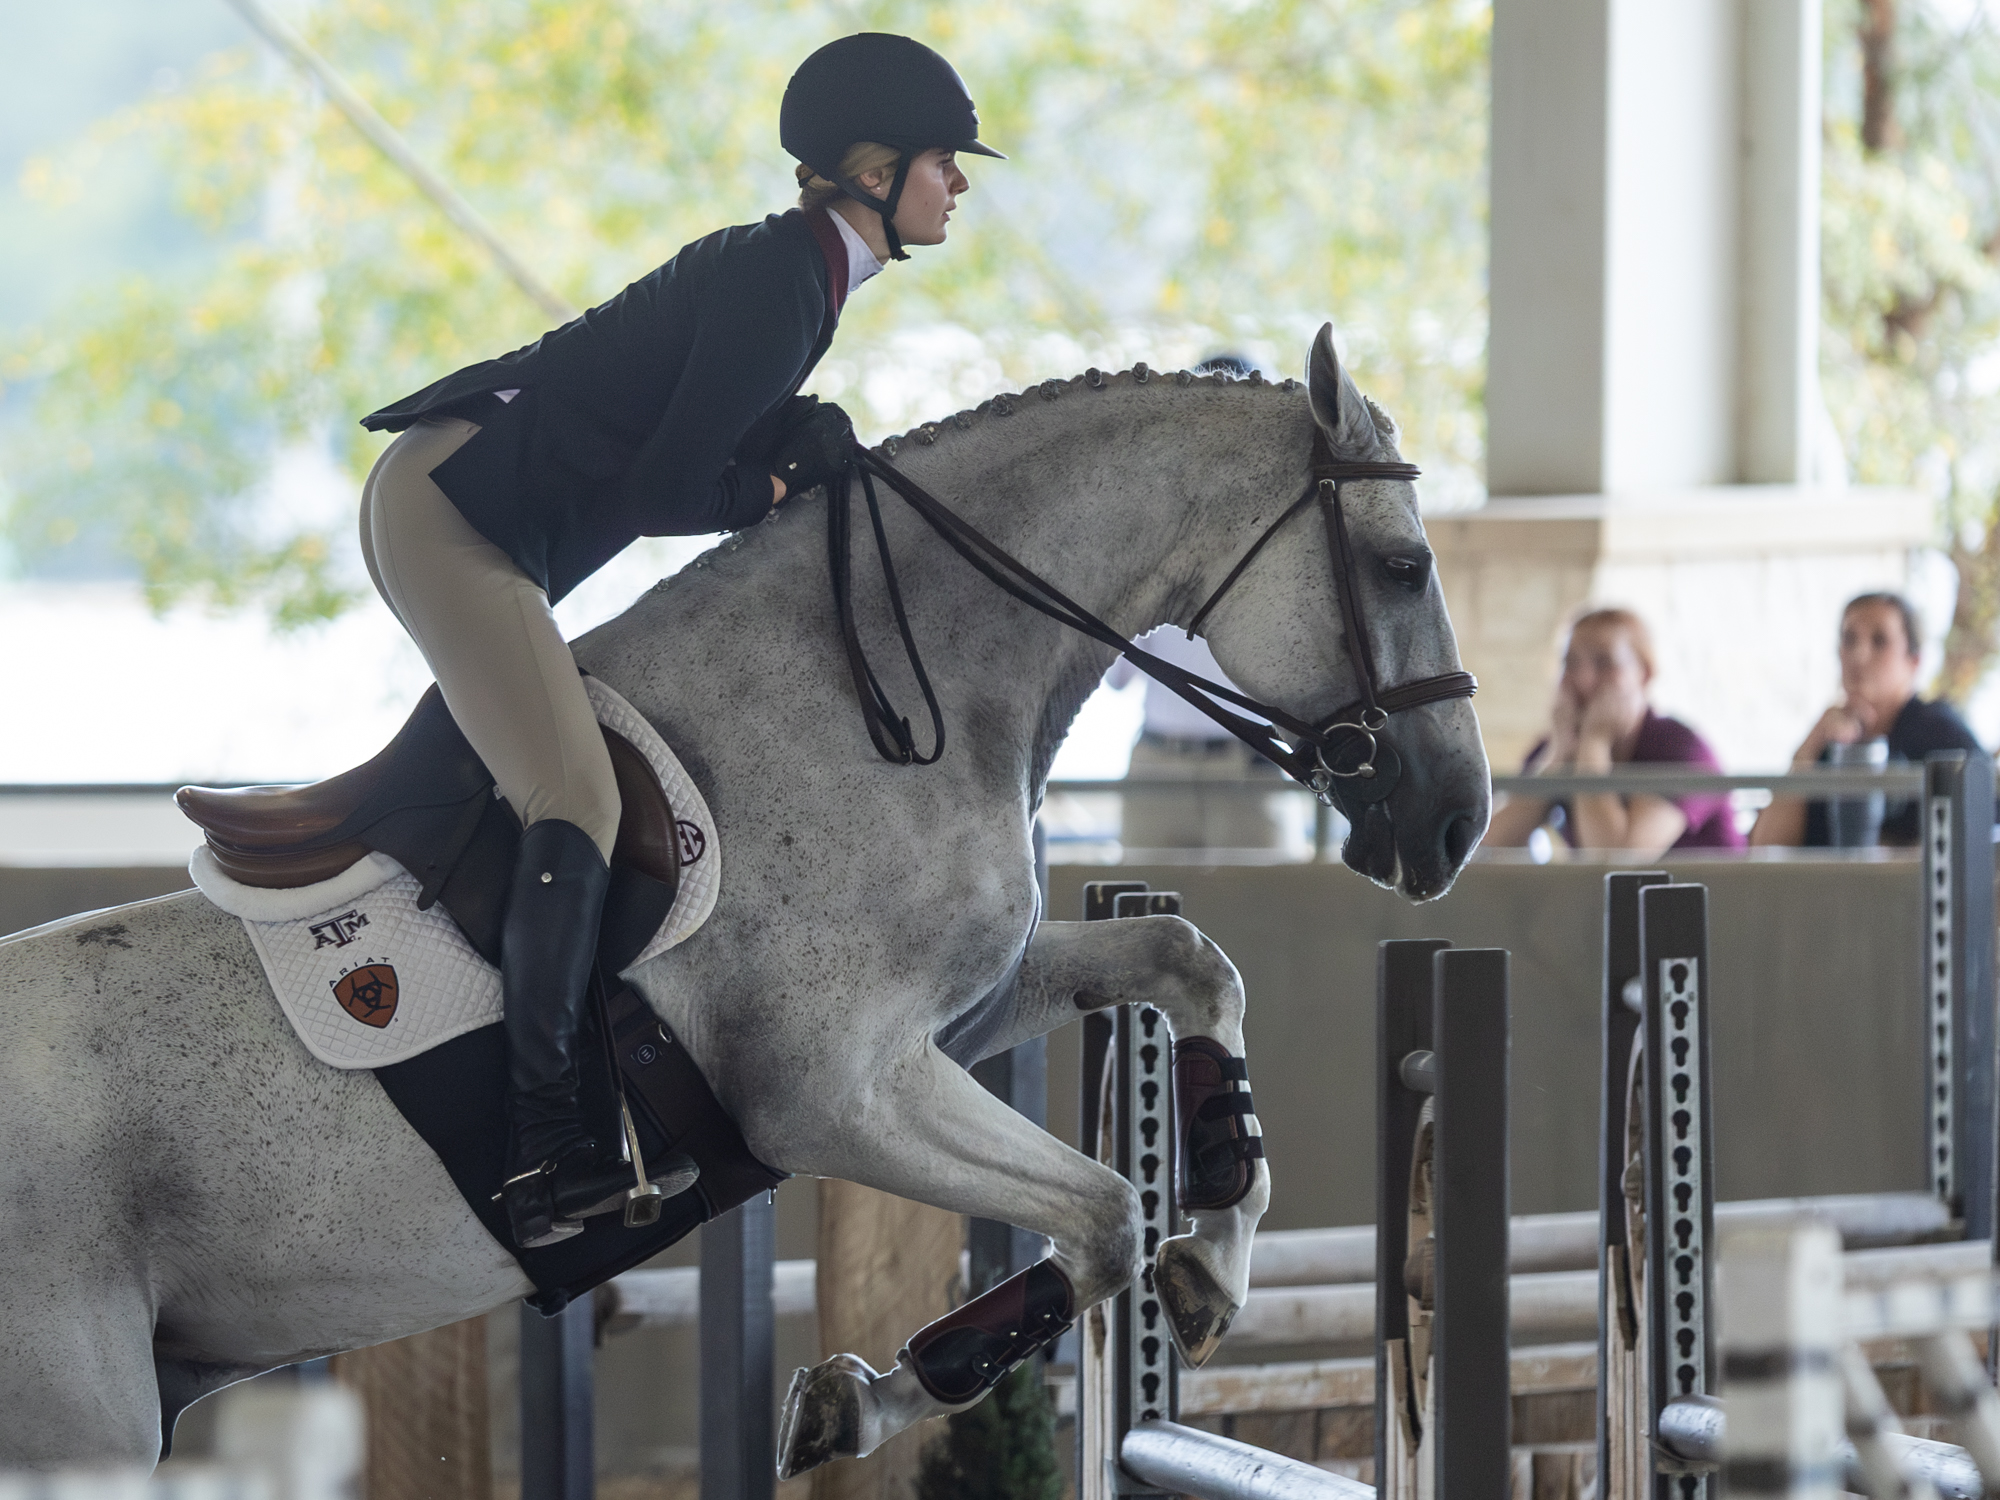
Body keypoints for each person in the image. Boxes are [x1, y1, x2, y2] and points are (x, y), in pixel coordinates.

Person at [352, 34, 1002, 1249]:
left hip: (463, 501)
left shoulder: (801, 269)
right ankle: (545, 1144)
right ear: (873, 170)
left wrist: (770, 453)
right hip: (456, 512)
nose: (959, 183)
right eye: (944, 161)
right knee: (574, 799)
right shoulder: (783, 278)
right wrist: (765, 485)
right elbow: (667, 494)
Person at [1485, 607, 1742, 855]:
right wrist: (1559, 753)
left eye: (1604, 662)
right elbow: (1489, 846)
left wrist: (1593, 744)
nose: (1585, 680)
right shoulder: (1556, 748)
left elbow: (1616, 859)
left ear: (1645, 673)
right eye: (1571, 663)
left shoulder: (1682, 749)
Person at [1750, 592, 1983, 848]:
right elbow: (1765, 848)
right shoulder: (1829, 744)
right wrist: (1809, 747)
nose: (1859, 656)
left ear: (1914, 661)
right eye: (1849, 640)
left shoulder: (1941, 734)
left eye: (1879, 641)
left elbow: (1979, 834)